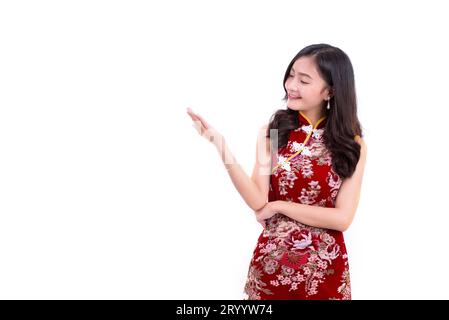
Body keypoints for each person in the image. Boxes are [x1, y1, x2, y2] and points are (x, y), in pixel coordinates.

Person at [186, 43, 367, 300]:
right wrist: (220, 145)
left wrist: (280, 206)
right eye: (291, 75)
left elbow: (343, 218)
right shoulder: (273, 131)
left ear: (330, 91)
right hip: (271, 272)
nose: (291, 85)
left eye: (304, 80)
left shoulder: (352, 144)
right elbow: (258, 199)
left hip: (325, 275)